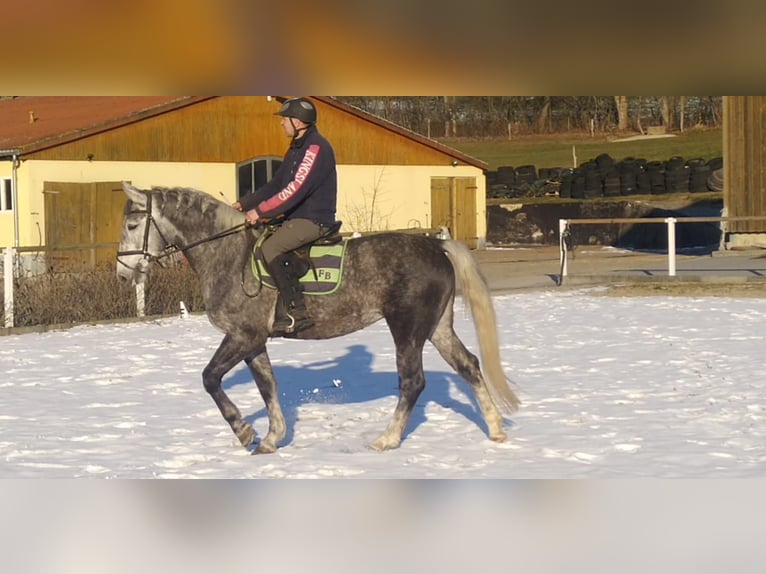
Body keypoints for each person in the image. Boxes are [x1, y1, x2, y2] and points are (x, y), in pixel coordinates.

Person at [234, 97, 339, 336]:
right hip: (296, 218)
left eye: (285, 119)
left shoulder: (315, 149)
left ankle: (296, 312)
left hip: (313, 220)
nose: (281, 123)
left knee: (270, 248)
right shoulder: (296, 149)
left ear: (299, 122)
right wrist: (243, 203)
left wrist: (259, 212)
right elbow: (276, 185)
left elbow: (293, 190)